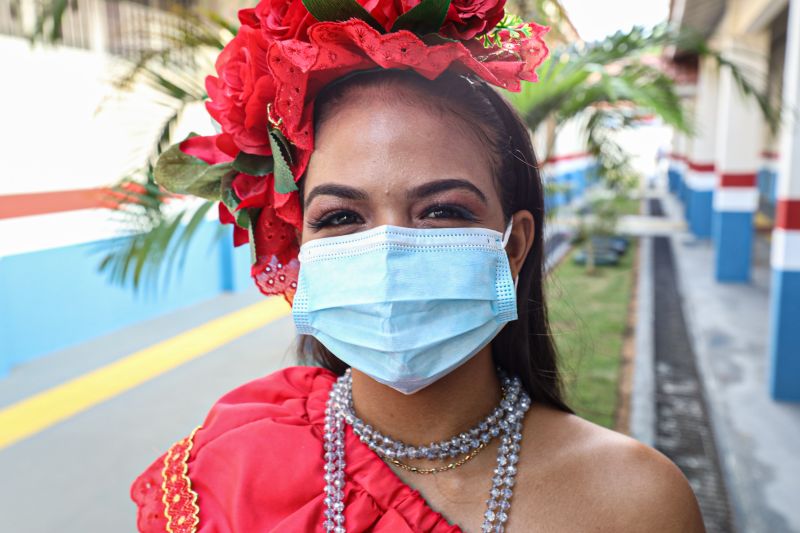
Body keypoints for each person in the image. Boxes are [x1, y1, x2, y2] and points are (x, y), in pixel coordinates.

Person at [131, 1, 706, 532]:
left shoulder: (634, 501)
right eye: (339, 218)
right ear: (299, 248)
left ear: (513, 246)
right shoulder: (226, 467)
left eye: (442, 210)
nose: (389, 254)